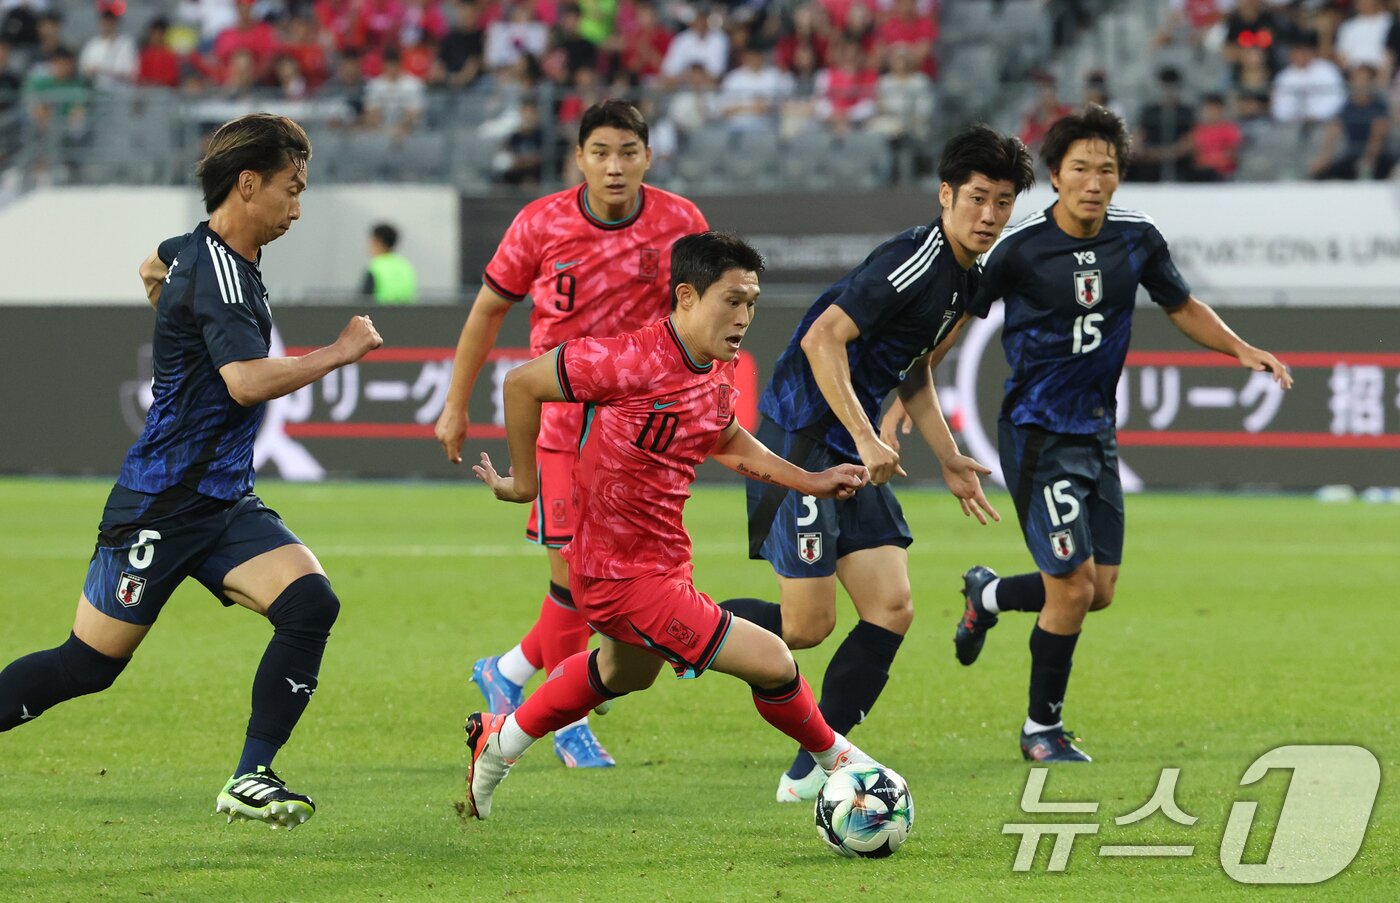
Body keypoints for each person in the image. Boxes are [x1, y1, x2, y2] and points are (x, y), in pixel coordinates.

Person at [0, 114, 383, 827]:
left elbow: (153, 263)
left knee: (310, 603)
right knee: (87, 665)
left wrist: (163, 296)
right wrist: (339, 350)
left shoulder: (201, 252)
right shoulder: (221, 276)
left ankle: (252, 774)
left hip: (223, 500)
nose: (298, 208)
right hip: (162, 504)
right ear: (247, 184)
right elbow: (242, 381)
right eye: (291, 190)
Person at [463, 231, 878, 820]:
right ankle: (844, 763)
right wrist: (526, 482)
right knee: (774, 661)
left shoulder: (714, 371)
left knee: (621, 673)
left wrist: (809, 481)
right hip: (615, 574)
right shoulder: (626, 359)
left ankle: (498, 741)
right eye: (731, 300)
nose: (744, 316)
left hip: (663, 563)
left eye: (752, 303)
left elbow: (725, 436)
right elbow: (521, 383)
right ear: (686, 296)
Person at [950, 105, 1292, 762]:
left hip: (1096, 435)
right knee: (1073, 586)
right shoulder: (1019, 247)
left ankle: (987, 593)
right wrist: (914, 392)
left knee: (1097, 591)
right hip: (1036, 434)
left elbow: (1181, 305)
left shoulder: (1137, 238)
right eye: (1080, 167)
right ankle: (1040, 729)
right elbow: (961, 317)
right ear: (1055, 174)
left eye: (1106, 169)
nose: (1094, 181)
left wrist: (1239, 348)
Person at [725, 124, 1035, 803]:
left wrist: (949, 455)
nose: (989, 215)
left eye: (1004, 202)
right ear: (946, 193)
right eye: (978, 198)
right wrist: (867, 438)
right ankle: (667, 623)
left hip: (850, 443)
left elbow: (913, 367)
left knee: (891, 605)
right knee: (806, 626)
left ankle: (820, 759)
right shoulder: (917, 259)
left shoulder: (966, 276)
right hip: (802, 439)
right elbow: (820, 338)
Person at [433, 99, 708, 769]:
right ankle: (567, 725)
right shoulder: (542, 222)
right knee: (576, 585)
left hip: (641, 433)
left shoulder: (681, 223)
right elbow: (488, 310)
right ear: (579, 158)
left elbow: (703, 316)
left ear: (648, 156)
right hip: (560, 424)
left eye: (628, 153)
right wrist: (456, 403)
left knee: (608, 581)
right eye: (601, 153)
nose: (614, 168)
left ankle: (506, 671)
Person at [361, 222, 419, 304]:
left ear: (378, 241)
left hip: (380, 315)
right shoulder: (406, 267)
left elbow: (363, 302)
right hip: (406, 316)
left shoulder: (375, 267)